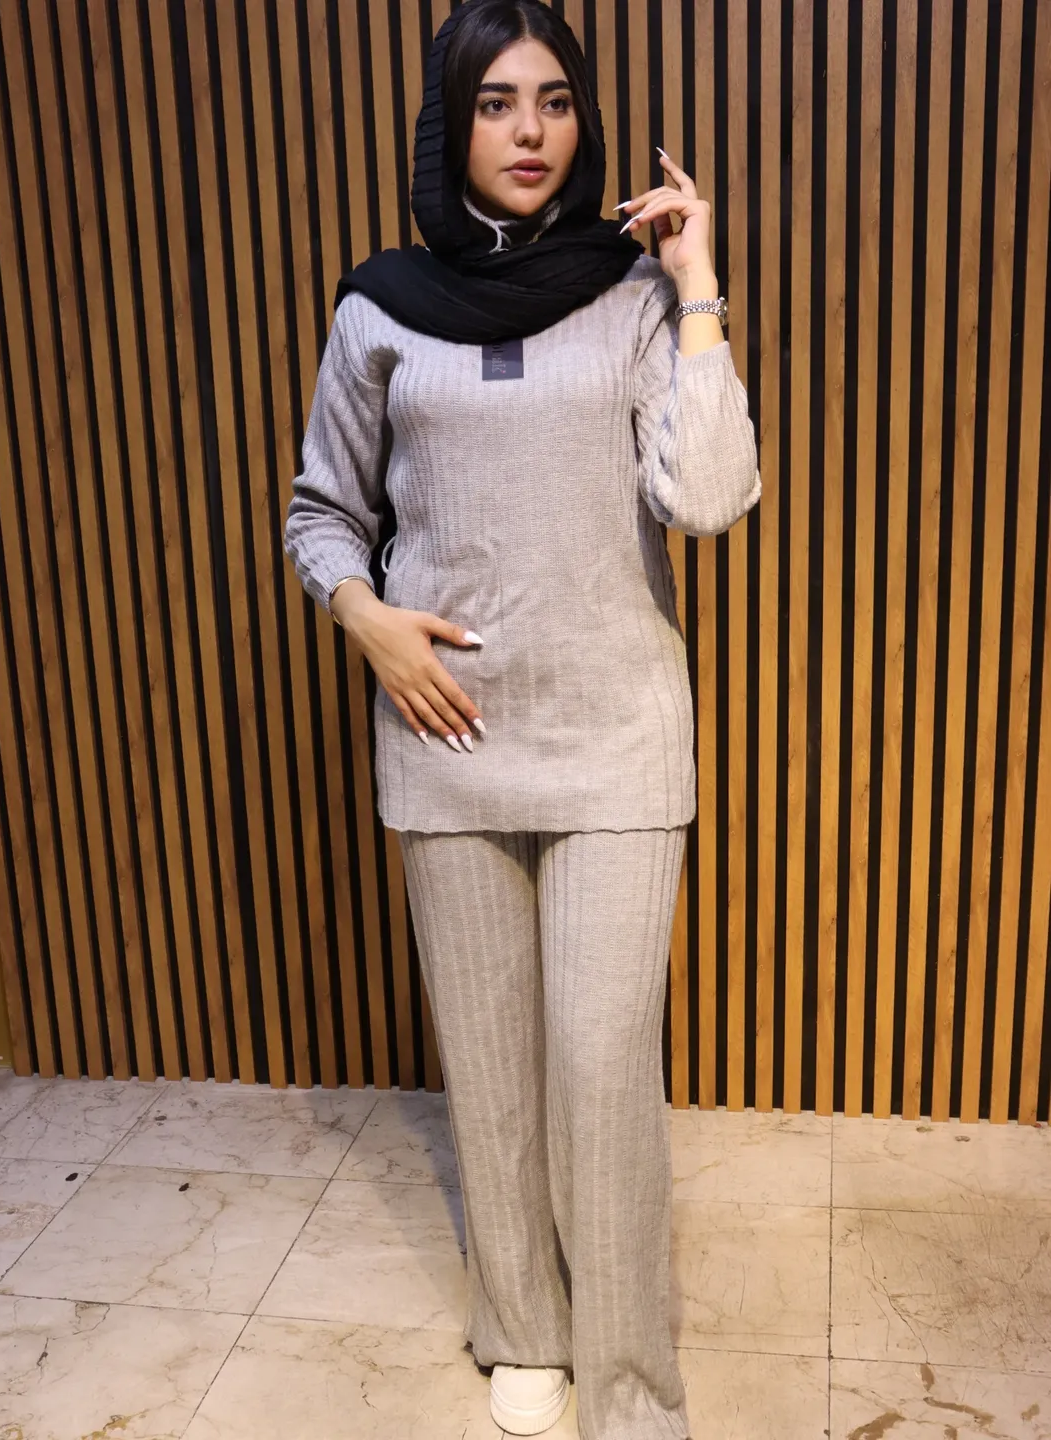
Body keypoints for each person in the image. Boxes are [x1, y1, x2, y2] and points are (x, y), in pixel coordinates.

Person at [283, 2, 760, 1435]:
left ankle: (629, 1383)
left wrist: (698, 282)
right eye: (496, 103)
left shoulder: (634, 296)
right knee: (490, 1075)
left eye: (553, 100)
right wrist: (365, 616)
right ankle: (524, 1327)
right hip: (448, 740)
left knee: (601, 1072)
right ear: (451, 125)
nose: (532, 130)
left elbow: (710, 499)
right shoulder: (378, 307)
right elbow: (322, 511)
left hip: (617, 740)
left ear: (583, 120)